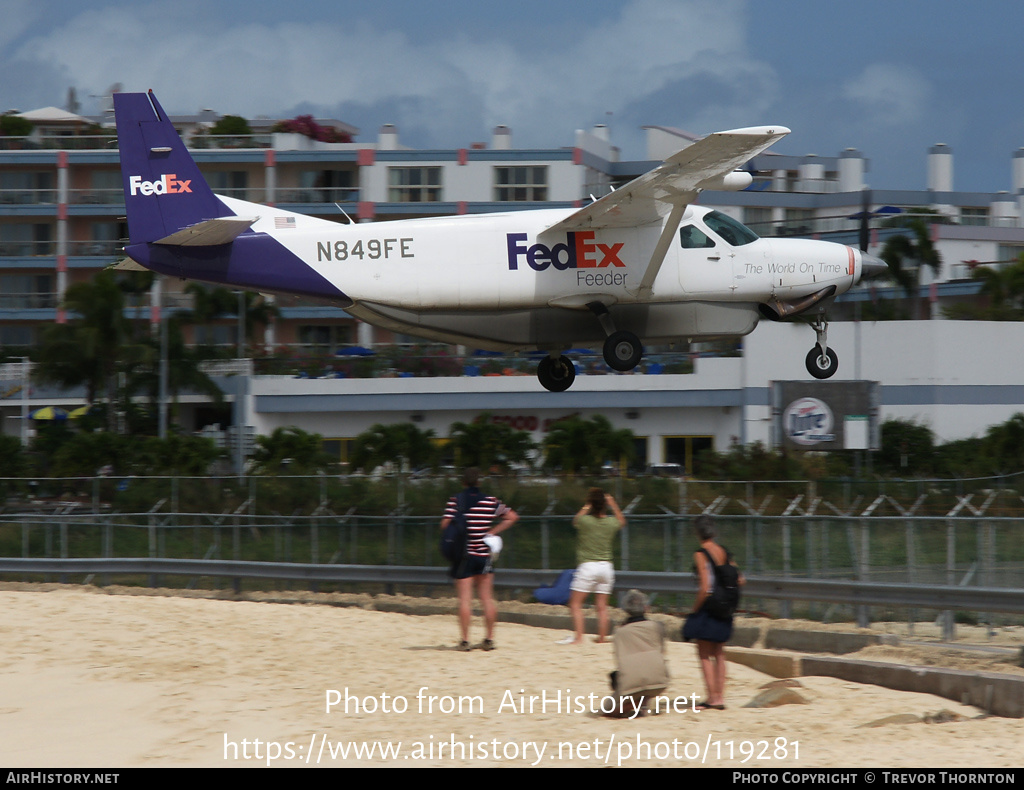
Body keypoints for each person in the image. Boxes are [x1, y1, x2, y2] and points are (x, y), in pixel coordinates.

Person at [440, 467, 518, 651]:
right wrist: (492, 531)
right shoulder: (491, 501)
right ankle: (489, 639)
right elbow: (512, 516)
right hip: (484, 556)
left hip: (463, 555)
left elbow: (444, 525)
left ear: (463, 482)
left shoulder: (456, 500)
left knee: (465, 601)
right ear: (479, 482)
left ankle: (465, 641)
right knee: (487, 600)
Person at [682, 514, 743, 709]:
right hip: (726, 606)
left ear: (697, 533)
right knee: (719, 652)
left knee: (703, 653)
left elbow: (706, 586)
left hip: (710, 606)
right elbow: (740, 579)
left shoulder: (701, 554)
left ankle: (712, 698)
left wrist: (694, 609)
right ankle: (720, 697)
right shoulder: (724, 551)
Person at [562, 488, 625, 644]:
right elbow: (622, 522)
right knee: (602, 606)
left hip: (588, 566)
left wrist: (587, 506)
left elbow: (576, 520)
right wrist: (614, 504)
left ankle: (579, 637)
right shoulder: (611, 522)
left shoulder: (585, 521)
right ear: (605, 504)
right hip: (606, 567)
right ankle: (602, 637)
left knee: (575, 604)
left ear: (591, 504)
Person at [608, 589, 669, 717]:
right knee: (649, 664)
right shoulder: (657, 627)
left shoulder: (620, 632)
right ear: (646, 607)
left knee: (606, 711)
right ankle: (644, 702)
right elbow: (661, 652)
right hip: (660, 681)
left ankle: (635, 703)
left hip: (631, 685)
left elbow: (621, 662)